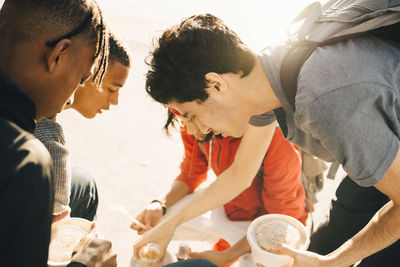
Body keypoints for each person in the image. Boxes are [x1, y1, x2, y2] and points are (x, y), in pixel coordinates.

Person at [134, 12, 400, 267]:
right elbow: (239, 174)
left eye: (192, 115)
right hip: (380, 143)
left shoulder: (321, 102)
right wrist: (167, 225)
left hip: (375, 135)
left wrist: (332, 263)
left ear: (216, 84)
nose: (198, 130)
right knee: (325, 243)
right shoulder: (267, 84)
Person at [0, 0, 116, 266]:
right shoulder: (24, 161)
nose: (72, 95)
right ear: (58, 55)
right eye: (81, 78)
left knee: (81, 181)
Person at [132, 110, 310, 266]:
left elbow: (281, 216)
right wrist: (159, 205)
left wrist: (227, 255)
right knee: (155, 225)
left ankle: (227, 250)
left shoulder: (272, 135)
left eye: (191, 117)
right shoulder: (195, 123)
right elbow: (191, 173)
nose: (191, 130)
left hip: (271, 223)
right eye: (182, 118)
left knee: (270, 260)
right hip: (229, 208)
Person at [33, 32, 131, 223]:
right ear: (88, 71)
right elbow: (53, 235)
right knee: (86, 186)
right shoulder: (48, 139)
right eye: (112, 89)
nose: (115, 101)